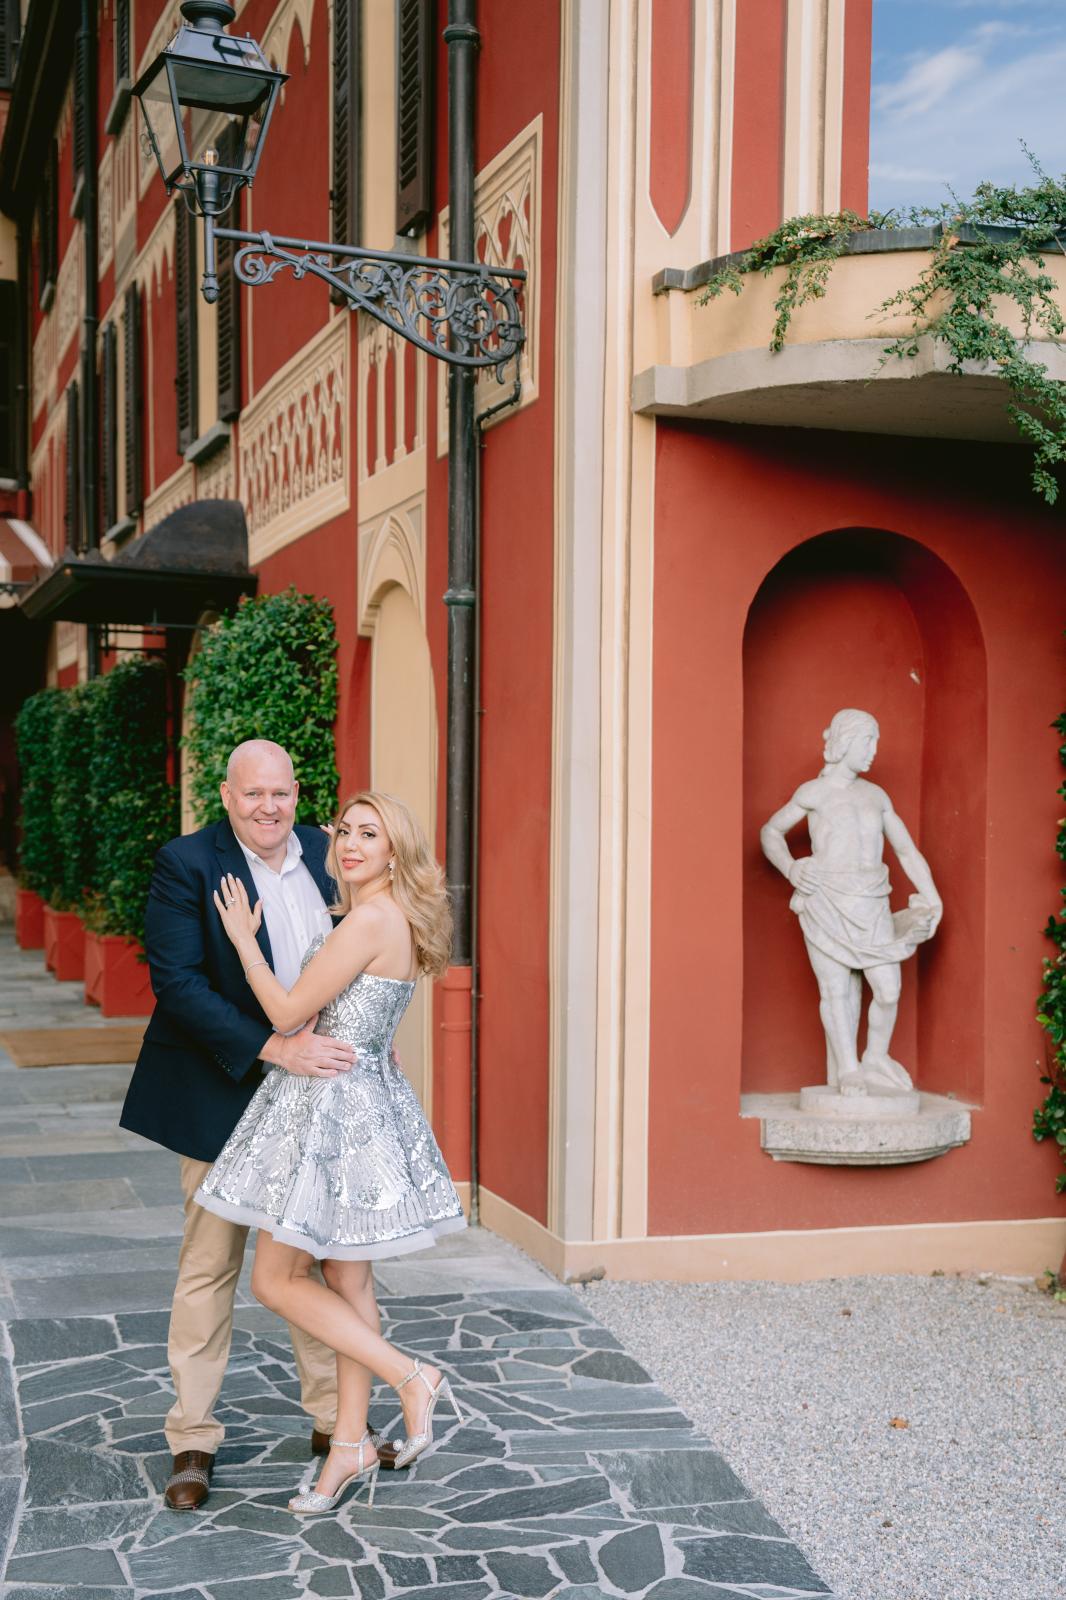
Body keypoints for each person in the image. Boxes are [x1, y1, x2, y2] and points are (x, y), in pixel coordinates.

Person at [197, 788, 466, 1515]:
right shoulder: (394, 918)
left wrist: (245, 938)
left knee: (275, 1279)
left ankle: (412, 1376)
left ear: (394, 851)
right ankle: (348, 1445)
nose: (348, 844)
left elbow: (287, 1014)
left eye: (369, 834)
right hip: (363, 1099)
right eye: (344, 830)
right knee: (348, 1286)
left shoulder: (369, 919)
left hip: (333, 1112)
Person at [120, 739, 357, 1511]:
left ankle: (333, 1423)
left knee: (309, 1263)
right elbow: (178, 984)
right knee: (210, 1265)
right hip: (222, 1089)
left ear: (298, 794)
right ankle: (192, 1437)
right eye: (253, 794)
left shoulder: (329, 853)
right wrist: (273, 1047)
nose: (268, 807)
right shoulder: (187, 864)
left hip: (310, 1096)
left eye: (280, 793)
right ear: (226, 796)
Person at [760, 709, 942, 1095]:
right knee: (835, 991)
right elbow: (771, 832)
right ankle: (848, 1068)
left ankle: (875, 1056)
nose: (874, 751)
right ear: (845, 742)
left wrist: (932, 896)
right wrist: (792, 869)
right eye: (867, 741)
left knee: (888, 988)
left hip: (873, 901)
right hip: (826, 899)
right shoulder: (814, 792)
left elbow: (906, 850)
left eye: (875, 741)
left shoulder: (876, 796)